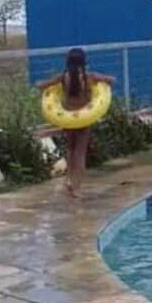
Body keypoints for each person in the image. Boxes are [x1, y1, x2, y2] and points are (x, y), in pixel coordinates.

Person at [36, 48, 115, 197]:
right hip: (84, 120)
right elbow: (112, 80)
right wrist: (101, 82)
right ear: (83, 62)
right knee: (80, 153)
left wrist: (49, 89)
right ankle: (77, 187)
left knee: (70, 149)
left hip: (67, 120)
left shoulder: (63, 77)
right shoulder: (89, 77)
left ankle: (69, 180)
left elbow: (40, 85)